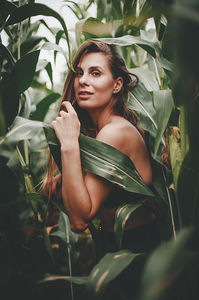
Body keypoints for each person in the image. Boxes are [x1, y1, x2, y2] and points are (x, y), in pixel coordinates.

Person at [43, 40, 160, 257]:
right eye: (79, 73)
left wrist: (69, 145)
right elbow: (96, 220)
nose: (83, 80)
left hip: (136, 250)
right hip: (115, 246)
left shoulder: (114, 133)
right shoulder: (104, 132)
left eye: (95, 73)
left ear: (117, 85)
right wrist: (68, 176)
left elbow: (79, 221)